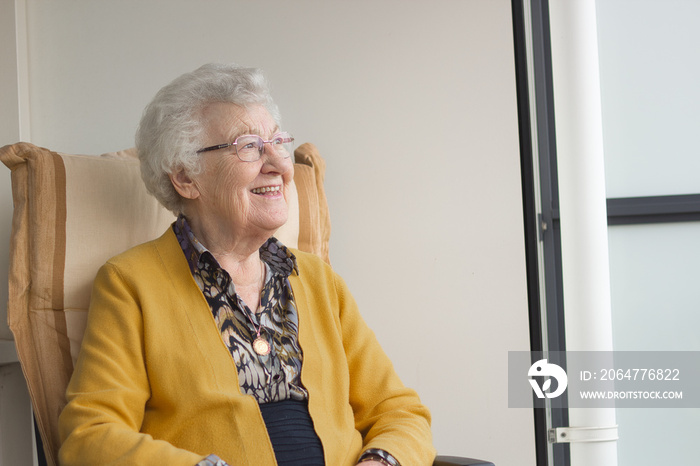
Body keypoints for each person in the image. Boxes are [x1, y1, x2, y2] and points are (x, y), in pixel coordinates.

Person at [58, 63, 435, 466]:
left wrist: (380, 462)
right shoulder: (130, 284)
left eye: (278, 142)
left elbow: (400, 412)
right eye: (250, 146)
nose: (278, 163)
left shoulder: (320, 282)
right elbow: (91, 436)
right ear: (186, 177)